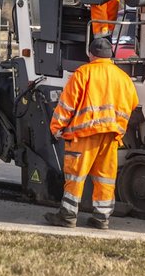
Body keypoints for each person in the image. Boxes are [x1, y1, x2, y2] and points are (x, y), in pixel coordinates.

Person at [45, 37, 139, 230]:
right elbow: (132, 103)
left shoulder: (83, 73)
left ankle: (68, 215)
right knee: (105, 178)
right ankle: (101, 218)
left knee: (75, 176)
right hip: (111, 136)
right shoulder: (123, 78)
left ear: (90, 54)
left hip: (83, 135)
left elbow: (66, 105)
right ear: (110, 55)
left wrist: (56, 128)